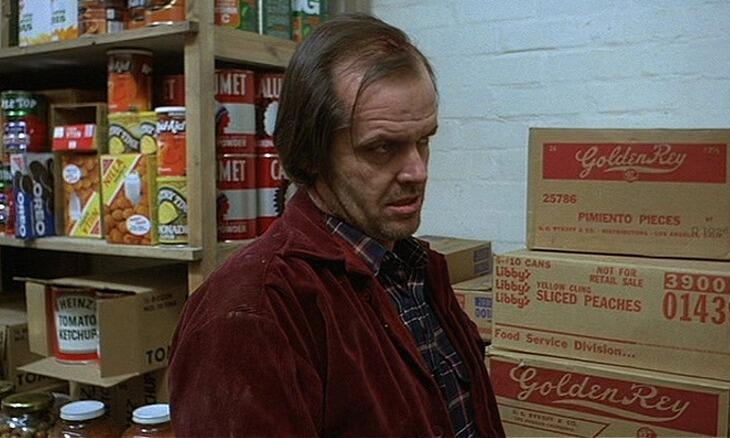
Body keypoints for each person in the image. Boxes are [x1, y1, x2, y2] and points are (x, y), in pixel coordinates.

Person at [168, 14, 505, 437]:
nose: (417, 172)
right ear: (311, 152)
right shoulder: (252, 313)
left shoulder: (411, 266)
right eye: (382, 148)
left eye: (423, 140)